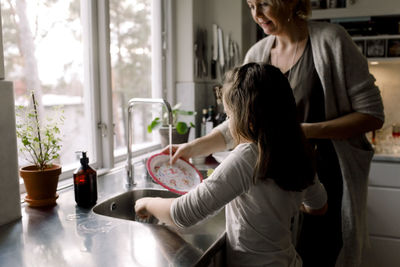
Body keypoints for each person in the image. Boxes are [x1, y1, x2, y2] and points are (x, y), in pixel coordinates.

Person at [162, 1, 385, 266]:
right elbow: (240, 120)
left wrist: (303, 131)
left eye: (264, 3)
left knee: (322, 253)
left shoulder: (332, 42)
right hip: (278, 182)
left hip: (324, 176)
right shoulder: (258, 52)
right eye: (250, 5)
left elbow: (373, 114)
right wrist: (193, 147)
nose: (256, 14)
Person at [135, 63, 328, 267]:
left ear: (249, 119)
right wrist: (282, 201)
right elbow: (319, 206)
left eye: (229, 116)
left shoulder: (248, 157)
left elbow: (184, 213)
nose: (229, 123)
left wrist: (147, 203)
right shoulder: (297, 151)